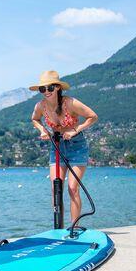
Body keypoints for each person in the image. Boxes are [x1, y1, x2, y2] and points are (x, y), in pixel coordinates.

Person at [30, 70, 98, 224]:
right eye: (43, 89)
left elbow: (92, 116)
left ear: (58, 87)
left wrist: (75, 130)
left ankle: (74, 227)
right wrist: (42, 130)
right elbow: (34, 119)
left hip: (77, 147)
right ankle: (58, 227)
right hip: (57, 146)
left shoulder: (70, 103)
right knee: (56, 188)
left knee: (72, 188)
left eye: (50, 88)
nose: (46, 92)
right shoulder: (40, 106)